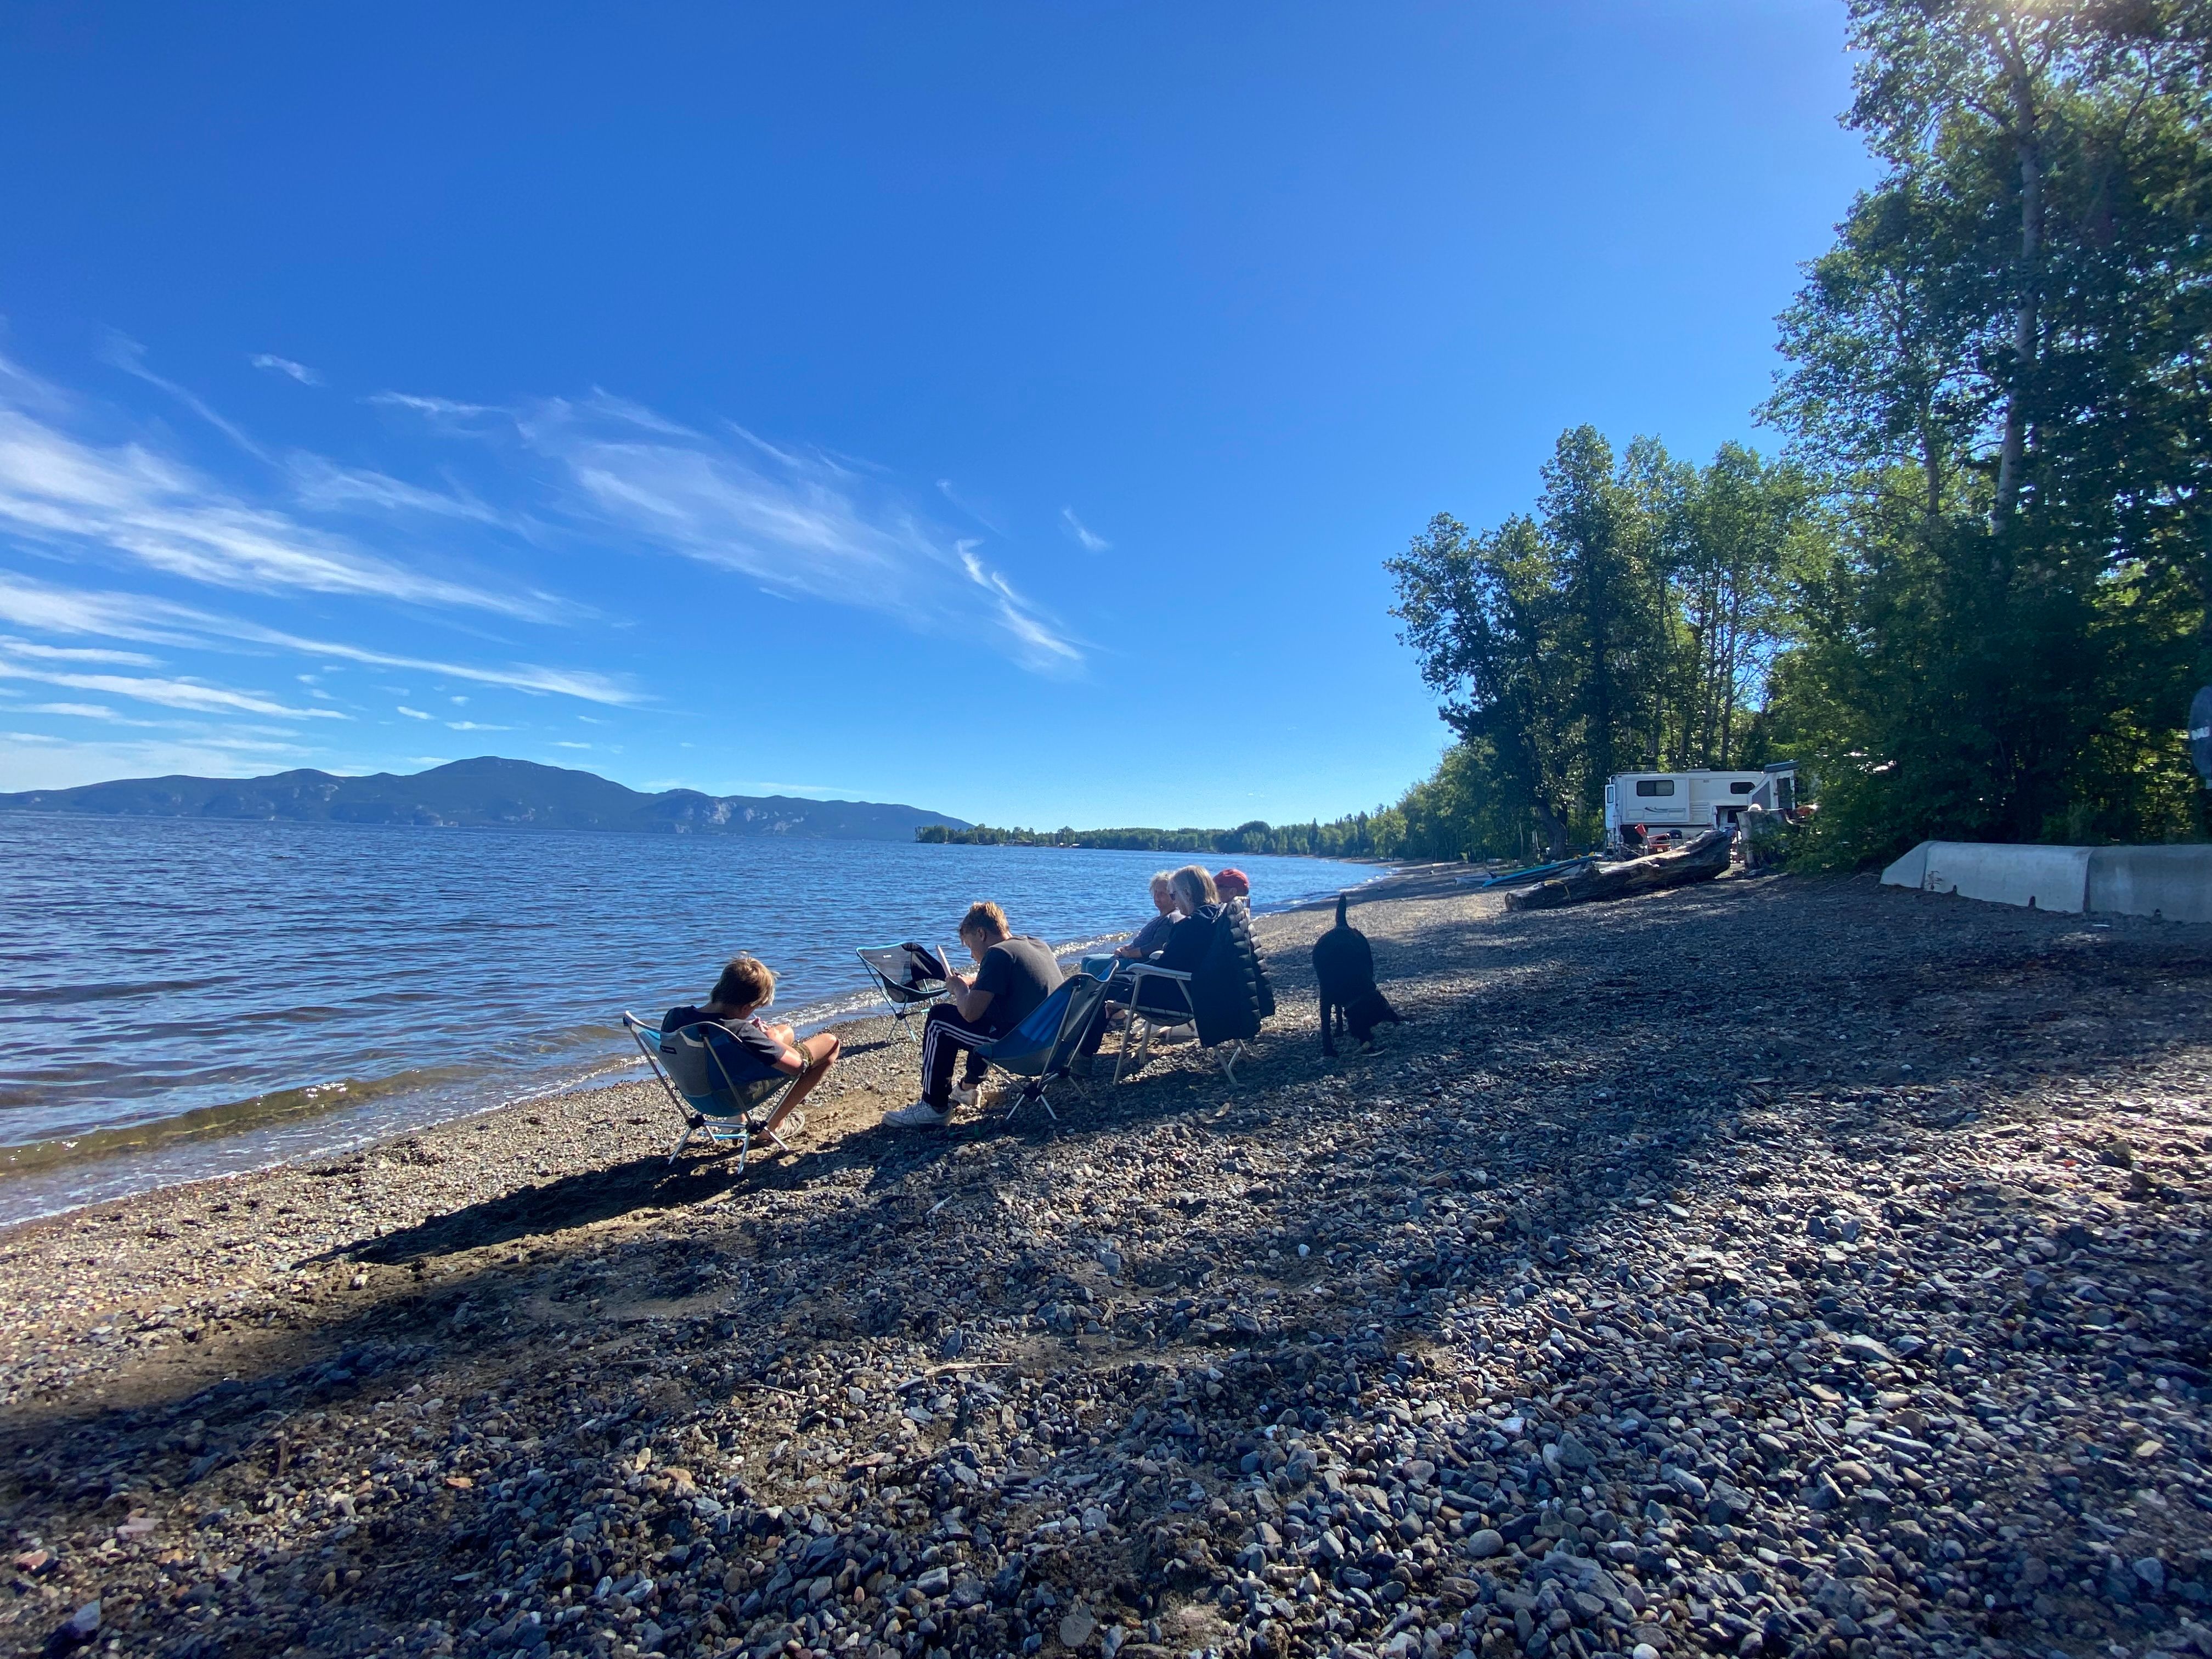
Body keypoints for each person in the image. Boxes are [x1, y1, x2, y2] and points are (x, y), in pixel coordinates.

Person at [883, 901, 1065, 1129]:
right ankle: (968, 1089)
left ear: (981, 933)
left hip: (1024, 1051)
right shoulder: (1034, 945)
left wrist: (959, 990)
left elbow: (970, 1014)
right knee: (988, 1015)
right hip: (1056, 1044)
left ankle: (933, 1107)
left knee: (940, 1019)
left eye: (970, 946)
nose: (971, 955)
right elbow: (1005, 981)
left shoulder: (997, 955)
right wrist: (970, 982)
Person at [662, 955, 839, 1139]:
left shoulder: (675, 1016)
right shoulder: (739, 1030)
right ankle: (773, 1127)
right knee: (830, 1043)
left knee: (785, 1031)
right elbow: (797, 1067)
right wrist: (772, 1041)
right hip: (732, 1098)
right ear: (747, 1007)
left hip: (695, 1095)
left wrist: (763, 1039)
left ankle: (735, 1121)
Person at [1073, 864, 1224, 1075]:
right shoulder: (1217, 917)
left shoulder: (1190, 926)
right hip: (1199, 990)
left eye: (1173, 894)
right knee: (1113, 982)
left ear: (1187, 893)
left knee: (1101, 987)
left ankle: (1080, 1056)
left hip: (1179, 997)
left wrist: (1134, 978)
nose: (1174, 901)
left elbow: (1166, 967)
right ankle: (1081, 1049)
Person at [1115, 871, 1183, 960]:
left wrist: (1129, 954)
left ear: (1173, 896)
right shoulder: (1160, 918)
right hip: (1131, 959)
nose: (1157, 896)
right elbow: (1145, 942)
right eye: (1156, 892)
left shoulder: (1171, 918)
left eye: (1162, 893)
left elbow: (1157, 946)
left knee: (1093, 964)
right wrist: (1125, 949)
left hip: (1140, 965)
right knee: (1092, 959)